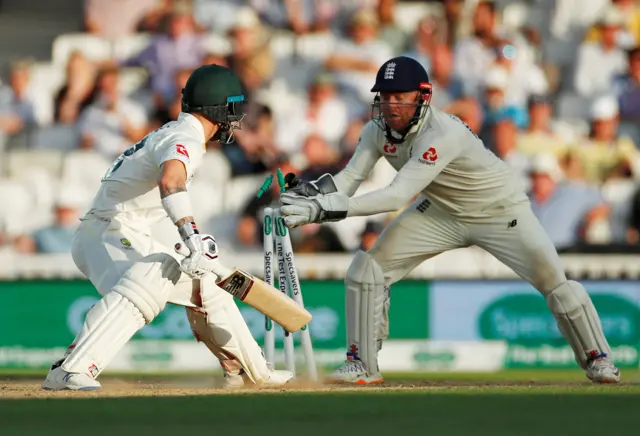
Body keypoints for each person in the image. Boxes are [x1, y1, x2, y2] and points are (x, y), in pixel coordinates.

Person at [279, 56, 620, 385]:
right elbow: (348, 179)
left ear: (423, 96)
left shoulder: (441, 133)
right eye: (384, 96)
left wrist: (324, 210)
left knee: (556, 284)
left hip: (499, 210)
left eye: (400, 96)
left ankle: (597, 357)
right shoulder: (375, 130)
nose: (391, 104)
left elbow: (397, 195)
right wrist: (311, 195)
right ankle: (361, 363)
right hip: (441, 210)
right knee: (368, 268)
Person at [42, 64, 292, 391]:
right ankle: (71, 370)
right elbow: (170, 181)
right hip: (105, 233)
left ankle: (250, 372)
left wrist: (193, 249)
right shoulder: (184, 135)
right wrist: (191, 234)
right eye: (232, 109)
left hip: (129, 232)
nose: (235, 119)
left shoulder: (178, 133)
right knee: (155, 274)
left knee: (208, 284)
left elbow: (152, 206)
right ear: (216, 107)